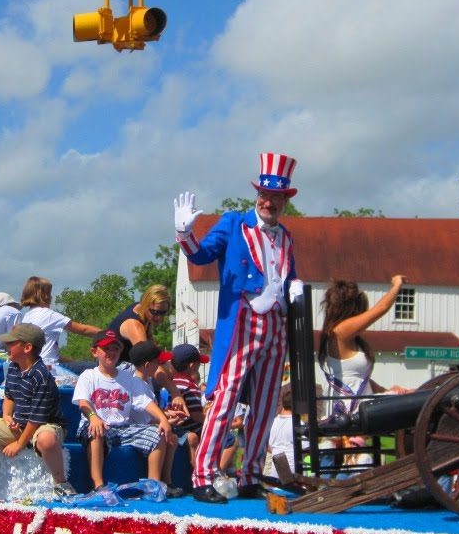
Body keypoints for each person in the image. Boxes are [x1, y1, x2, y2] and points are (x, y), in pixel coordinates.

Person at [173, 152, 301, 504]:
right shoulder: (234, 224)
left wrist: (296, 290)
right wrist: (185, 232)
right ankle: (203, 475)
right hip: (243, 319)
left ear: (284, 201)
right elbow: (199, 255)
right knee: (227, 398)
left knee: (265, 402)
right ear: (257, 195)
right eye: (265, 194)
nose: (269, 202)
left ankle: (250, 475)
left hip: (276, 323)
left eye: (276, 197)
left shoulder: (286, 238)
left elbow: (288, 278)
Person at [0, 323, 75, 502]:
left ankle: (61, 483)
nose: (6, 346)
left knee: (46, 440)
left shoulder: (42, 376)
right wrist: (7, 416)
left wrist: (18, 444)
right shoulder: (14, 368)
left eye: (11, 343)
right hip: (21, 423)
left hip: (44, 425)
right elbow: (9, 396)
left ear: (27, 347)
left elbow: (37, 419)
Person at [72, 330, 172, 491]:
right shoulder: (88, 376)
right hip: (95, 424)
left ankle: (153, 484)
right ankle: (98, 485)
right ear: (94, 352)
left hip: (122, 429)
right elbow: (83, 402)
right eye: (106, 349)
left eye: (115, 349)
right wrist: (93, 417)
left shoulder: (128, 379)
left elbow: (145, 402)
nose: (111, 353)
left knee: (158, 434)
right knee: (96, 431)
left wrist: (163, 419)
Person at [318, 275, 410, 419]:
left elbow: (360, 380)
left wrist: (387, 390)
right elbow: (381, 308)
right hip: (349, 410)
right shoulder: (339, 331)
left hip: (361, 405)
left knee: (412, 395)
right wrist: (397, 284)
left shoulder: (350, 338)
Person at [127, 341, 182, 497]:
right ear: (147, 365)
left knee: (173, 438)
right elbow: (142, 419)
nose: (161, 366)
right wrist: (165, 421)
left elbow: (151, 416)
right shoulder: (136, 384)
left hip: (146, 425)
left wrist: (167, 416)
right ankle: (154, 484)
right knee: (164, 436)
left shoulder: (148, 381)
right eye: (158, 363)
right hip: (137, 428)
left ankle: (166, 482)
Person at [18, 276, 100, 368]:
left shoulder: (26, 317)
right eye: (49, 293)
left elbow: (47, 352)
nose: (51, 297)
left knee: (78, 365)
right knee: (98, 368)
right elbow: (83, 330)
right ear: (44, 295)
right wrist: (108, 334)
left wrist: (72, 361)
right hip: (50, 367)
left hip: (36, 365)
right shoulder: (49, 315)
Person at [265, 384, 294, 479]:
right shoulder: (297, 424)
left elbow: (268, 446)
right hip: (293, 469)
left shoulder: (273, 422)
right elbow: (306, 449)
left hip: (275, 468)